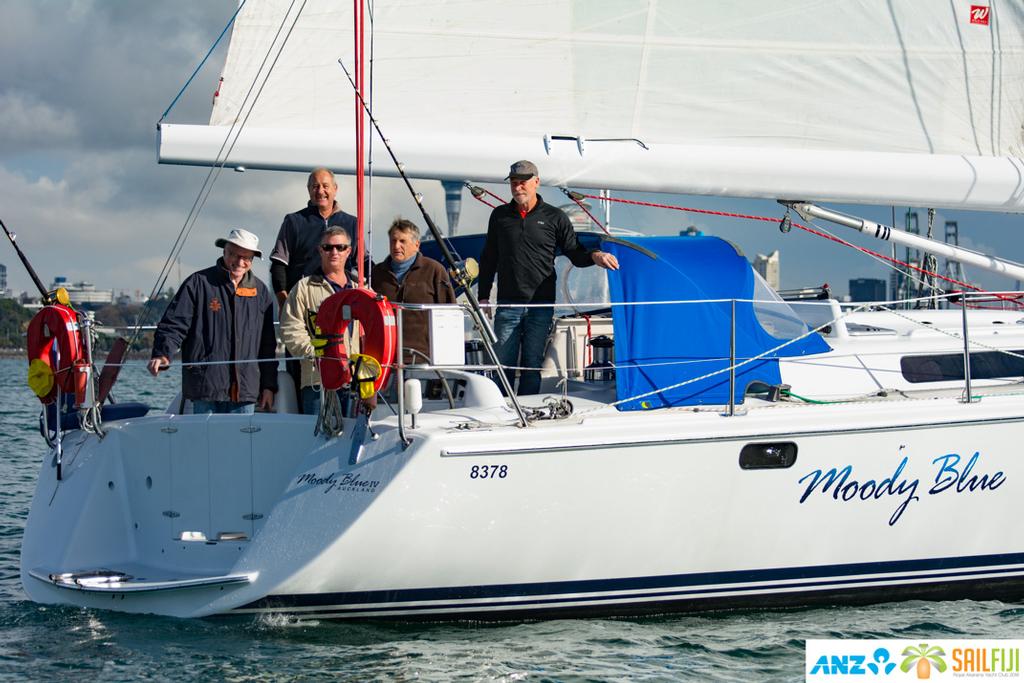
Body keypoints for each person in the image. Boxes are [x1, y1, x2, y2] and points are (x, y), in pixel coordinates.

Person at [478, 160, 619, 395]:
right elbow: (489, 257)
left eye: (522, 182)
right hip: (507, 305)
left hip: (540, 306)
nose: (517, 188)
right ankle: (500, 412)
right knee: (503, 366)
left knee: (532, 366)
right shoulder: (499, 216)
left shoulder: (555, 217)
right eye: (513, 183)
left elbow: (574, 252)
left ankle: (527, 409)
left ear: (536, 182)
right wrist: (483, 297)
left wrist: (596, 255)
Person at [149, 229, 277, 414]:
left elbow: (267, 345)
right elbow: (174, 324)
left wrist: (268, 386)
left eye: (246, 258)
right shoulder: (198, 283)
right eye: (234, 254)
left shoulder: (261, 292)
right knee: (205, 442)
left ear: (252, 259)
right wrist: (163, 353)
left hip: (246, 390)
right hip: (205, 386)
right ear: (224, 251)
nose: (240, 262)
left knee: (240, 443)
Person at [279, 227, 361, 416]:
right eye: (328, 247)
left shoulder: (361, 290)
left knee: (354, 441)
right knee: (320, 440)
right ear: (320, 250)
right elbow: (291, 329)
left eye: (340, 247)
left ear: (349, 251)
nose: (334, 252)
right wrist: (314, 354)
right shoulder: (303, 288)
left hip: (356, 381)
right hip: (318, 380)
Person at [370, 218, 457, 364]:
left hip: (424, 358)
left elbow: (450, 315)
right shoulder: (377, 273)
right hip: (386, 359)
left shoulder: (434, 271)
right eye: (393, 241)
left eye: (402, 241)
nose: (396, 246)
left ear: (416, 245)